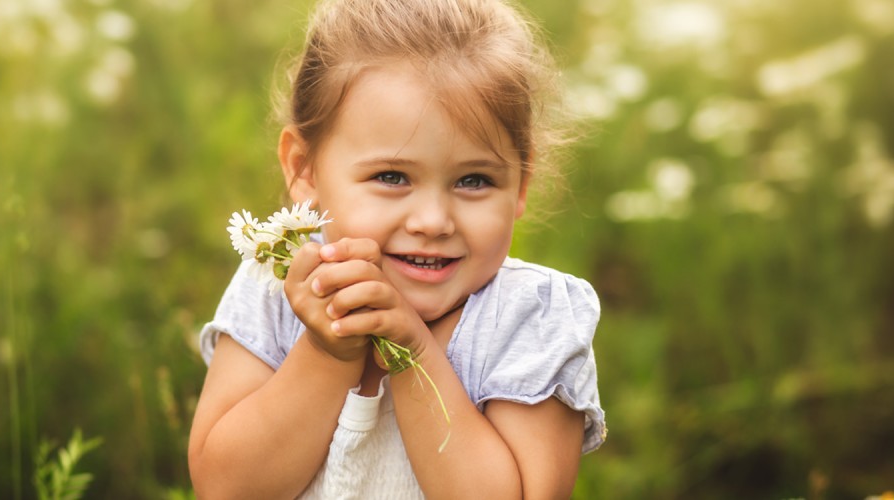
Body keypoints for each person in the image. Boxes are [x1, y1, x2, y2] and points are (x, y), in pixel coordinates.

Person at [188, 0, 605, 497]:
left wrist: (412, 354)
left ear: (519, 185)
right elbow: (226, 488)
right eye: (392, 176)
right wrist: (327, 351)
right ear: (304, 169)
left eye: (474, 180)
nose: (432, 222)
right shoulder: (276, 288)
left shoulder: (529, 319)